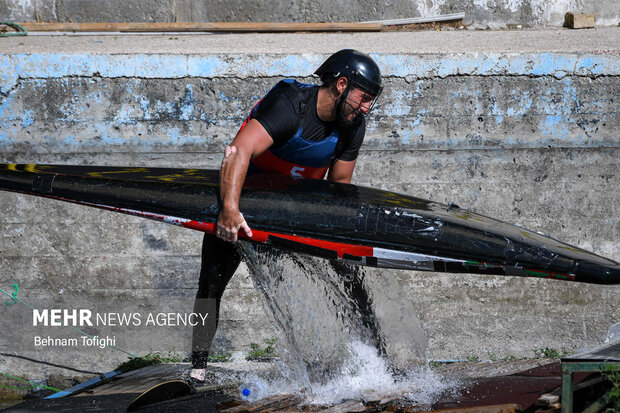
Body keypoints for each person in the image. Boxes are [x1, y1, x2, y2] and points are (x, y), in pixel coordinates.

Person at [190, 49, 383, 382]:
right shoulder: (289, 105)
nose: (366, 108)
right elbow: (238, 152)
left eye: (370, 101)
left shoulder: (353, 126)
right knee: (210, 283)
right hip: (242, 199)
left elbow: (338, 189)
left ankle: (379, 361)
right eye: (363, 98)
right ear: (340, 85)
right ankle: (197, 367)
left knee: (351, 276)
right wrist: (230, 210)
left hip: (294, 208)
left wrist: (342, 242)